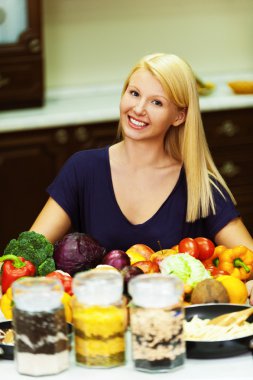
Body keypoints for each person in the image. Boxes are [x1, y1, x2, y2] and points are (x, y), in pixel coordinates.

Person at [30, 53, 253, 301]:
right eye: (134, 93)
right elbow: (31, 252)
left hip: (173, 326)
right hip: (99, 323)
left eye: (156, 102)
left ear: (179, 116)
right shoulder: (82, 169)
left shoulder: (200, 184)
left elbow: (248, 257)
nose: (138, 109)